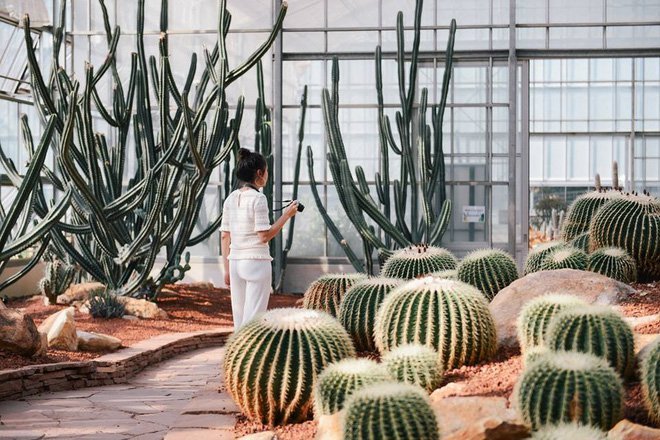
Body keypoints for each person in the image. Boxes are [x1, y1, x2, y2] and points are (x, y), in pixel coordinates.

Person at [220, 148, 299, 330]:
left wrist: (226, 269)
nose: (268, 175)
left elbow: (225, 236)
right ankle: (249, 356)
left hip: (235, 264)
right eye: (267, 171)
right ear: (259, 173)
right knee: (254, 320)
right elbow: (264, 236)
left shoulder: (230, 199)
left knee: (239, 320)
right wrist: (287, 215)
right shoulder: (258, 198)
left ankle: (238, 355)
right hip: (256, 262)